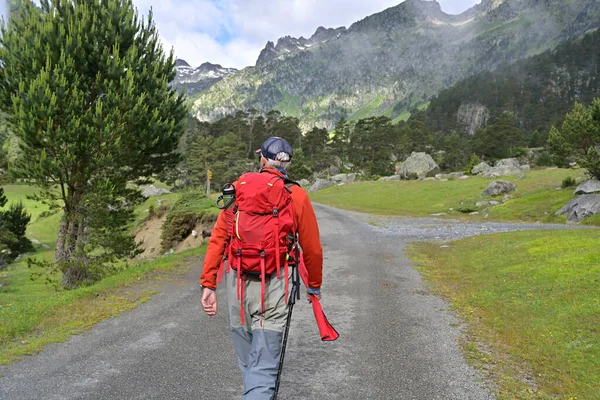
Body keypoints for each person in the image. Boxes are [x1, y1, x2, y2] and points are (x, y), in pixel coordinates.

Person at [200, 137, 324, 399]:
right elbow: (312, 249)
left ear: (262, 159)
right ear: (287, 162)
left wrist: (208, 284)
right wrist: (314, 286)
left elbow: (219, 238)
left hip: (237, 284)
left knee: (249, 365)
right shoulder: (296, 195)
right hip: (276, 284)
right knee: (264, 368)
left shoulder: (238, 189)